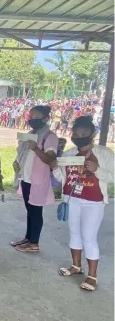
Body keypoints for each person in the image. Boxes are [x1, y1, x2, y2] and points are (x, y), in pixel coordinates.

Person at [51, 117, 114, 291]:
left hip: (93, 202)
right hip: (72, 200)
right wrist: (55, 167)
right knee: (74, 233)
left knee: (89, 237)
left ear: (93, 134)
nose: (80, 137)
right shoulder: (69, 154)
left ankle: (92, 276)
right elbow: (61, 178)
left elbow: (113, 176)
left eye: (84, 134)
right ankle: (76, 266)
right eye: (76, 134)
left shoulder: (104, 153)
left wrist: (97, 170)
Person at [11, 105, 58, 252]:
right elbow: (23, 154)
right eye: (31, 117)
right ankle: (28, 237)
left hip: (37, 181)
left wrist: (36, 148)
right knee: (29, 210)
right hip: (26, 178)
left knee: (36, 212)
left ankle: (34, 243)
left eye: (37, 117)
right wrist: (17, 162)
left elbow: (50, 159)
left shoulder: (50, 137)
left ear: (46, 118)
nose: (33, 120)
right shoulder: (30, 133)